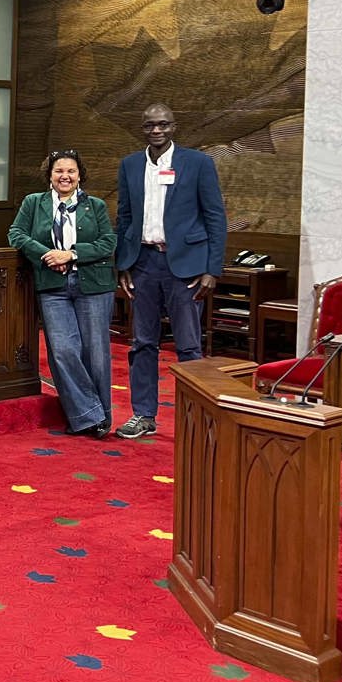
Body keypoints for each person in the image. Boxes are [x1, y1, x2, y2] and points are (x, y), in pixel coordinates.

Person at [113, 102, 227, 439]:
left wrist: (212, 269)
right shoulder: (130, 165)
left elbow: (215, 217)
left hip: (186, 266)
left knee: (190, 345)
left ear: (174, 127)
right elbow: (125, 217)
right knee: (142, 343)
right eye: (150, 125)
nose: (156, 130)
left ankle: (196, 418)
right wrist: (124, 262)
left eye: (163, 124)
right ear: (143, 128)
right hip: (144, 263)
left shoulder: (198, 163)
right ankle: (143, 415)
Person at [8, 150, 118, 437]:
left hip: (93, 284)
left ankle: (100, 420)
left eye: (71, 171)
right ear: (50, 175)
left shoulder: (94, 206)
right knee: (63, 351)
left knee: (95, 353)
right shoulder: (34, 203)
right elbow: (16, 234)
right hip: (53, 286)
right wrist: (47, 255)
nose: (65, 176)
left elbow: (108, 242)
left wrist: (70, 254)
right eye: (59, 171)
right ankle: (89, 414)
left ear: (80, 175)